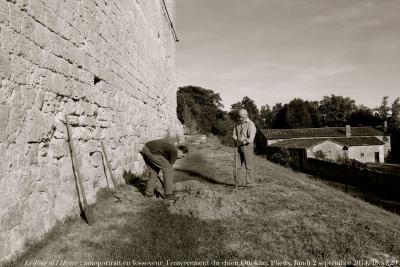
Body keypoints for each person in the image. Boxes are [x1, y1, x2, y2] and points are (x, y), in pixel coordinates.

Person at [232, 109, 257, 187]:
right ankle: (238, 184)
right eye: (239, 117)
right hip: (238, 146)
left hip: (247, 146)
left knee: (249, 166)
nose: (240, 119)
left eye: (242, 117)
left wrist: (242, 142)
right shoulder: (237, 124)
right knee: (236, 166)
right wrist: (236, 140)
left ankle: (250, 184)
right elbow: (234, 134)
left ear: (246, 115)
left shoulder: (251, 125)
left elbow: (251, 138)